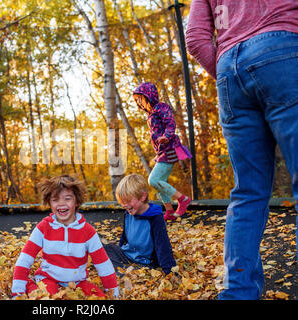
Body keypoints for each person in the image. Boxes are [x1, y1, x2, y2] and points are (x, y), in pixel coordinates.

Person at [185, 0, 298, 300]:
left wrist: (225, 71)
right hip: (285, 51)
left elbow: (195, 37)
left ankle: (238, 294)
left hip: (229, 70)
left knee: (247, 192)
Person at [11, 175, 119, 299]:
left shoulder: (88, 231)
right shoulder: (43, 228)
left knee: (100, 298)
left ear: (77, 201)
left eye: (67, 199)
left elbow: (103, 264)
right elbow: (25, 259)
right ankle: (30, 284)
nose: (61, 204)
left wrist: (113, 293)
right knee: (46, 298)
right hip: (48, 278)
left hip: (77, 281)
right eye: (55, 200)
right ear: (49, 203)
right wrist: (17, 292)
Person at [133, 82, 192, 221]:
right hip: (162, 151)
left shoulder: (161, 107)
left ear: (149, 97)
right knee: (161, 181)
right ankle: (170, 211)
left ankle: (182, 199)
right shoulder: (151, 114)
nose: (140, 104)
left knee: (153, 180)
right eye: (137, 102)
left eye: (141, 100)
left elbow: (170, 122)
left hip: (169, 148)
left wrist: (167, 135)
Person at [104, 174, 177, 275]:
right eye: (122, 202)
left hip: (144, 262)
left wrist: (170, 272)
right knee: (106, 248)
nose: (125, 205)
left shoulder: (155, 217)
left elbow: (163, 246)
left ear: (143, 196)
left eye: (128, 201)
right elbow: (124, 237)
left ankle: (124, 273)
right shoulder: (129, 212)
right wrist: (119, 250)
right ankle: (123, 270)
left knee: (120, 266)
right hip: (128, 256)